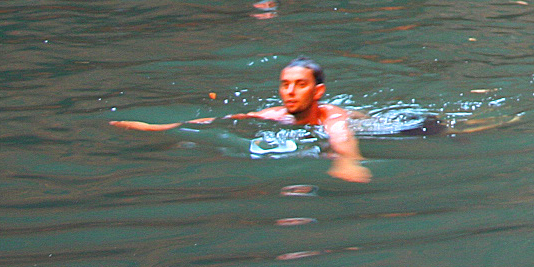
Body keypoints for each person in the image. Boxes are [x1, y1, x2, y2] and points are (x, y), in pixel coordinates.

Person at [110, 57, 372, 183]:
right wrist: (155, 128)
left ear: (317, 92)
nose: (290, 92)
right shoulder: (275, 114)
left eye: (300, 84)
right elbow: (218, 120)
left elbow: (342, 139)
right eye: (285, 85)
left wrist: (348, 163)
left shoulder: (334, 116)